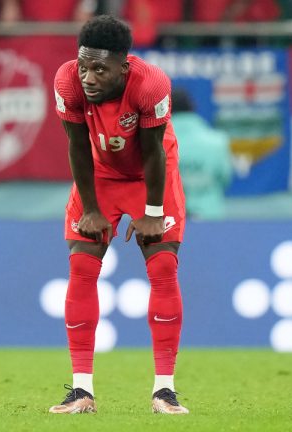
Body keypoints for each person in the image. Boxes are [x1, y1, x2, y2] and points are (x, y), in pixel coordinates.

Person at [51, 15, 188, 415]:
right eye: (84, 66)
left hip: (152, 174)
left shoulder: (151, 84)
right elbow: (77, 147)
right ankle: (81, 392)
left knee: (163, 267)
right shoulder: (66, 81)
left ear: (123, 67)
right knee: (81, 268)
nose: (88, 77)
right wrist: (91, 210)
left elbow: (153, 152)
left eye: (100, 69)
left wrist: (152, 212)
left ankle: (164, 391)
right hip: (99, 175)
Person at [172, 90, 232, 219]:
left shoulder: (151, 142)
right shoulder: (217, 141)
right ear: (192, 108)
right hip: (210, 218)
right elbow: (224, 177)